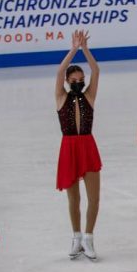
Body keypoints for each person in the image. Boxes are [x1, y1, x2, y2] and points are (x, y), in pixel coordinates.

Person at [54, 30, 102, 260]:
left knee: (94, 198)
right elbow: (59, 71)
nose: (79, 83)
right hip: (69, 149)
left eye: (81, 80)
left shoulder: (89, 96)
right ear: (67, 82)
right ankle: (76, 237)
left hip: (87, 147)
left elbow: (96, 70)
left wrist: (85, 49)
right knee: (74, 199)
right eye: (74, 81)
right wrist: (73, 48)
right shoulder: (61, 97)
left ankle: (89, 238)